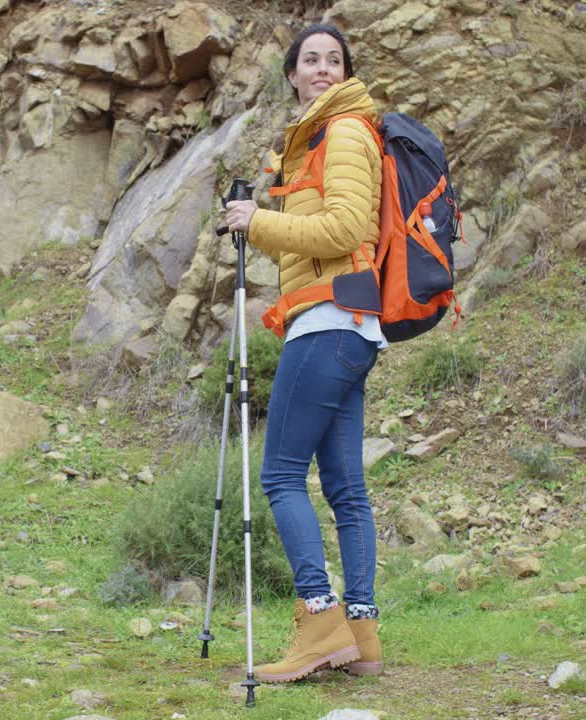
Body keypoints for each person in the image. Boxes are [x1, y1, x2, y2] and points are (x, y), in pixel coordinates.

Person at [222, 23, 385, 683]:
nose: (322, 68)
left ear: (345, 74)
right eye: (310, 59)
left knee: (280, 476)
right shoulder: (313, 140)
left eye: (333, 60)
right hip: (349, 323)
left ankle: (319, 620)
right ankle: (361, 635)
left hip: (326, 323)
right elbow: (320, 235)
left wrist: (253, 222)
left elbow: (347, 227)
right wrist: (260, 222)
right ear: (292, 73)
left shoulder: (342, 131)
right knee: (347, 489)